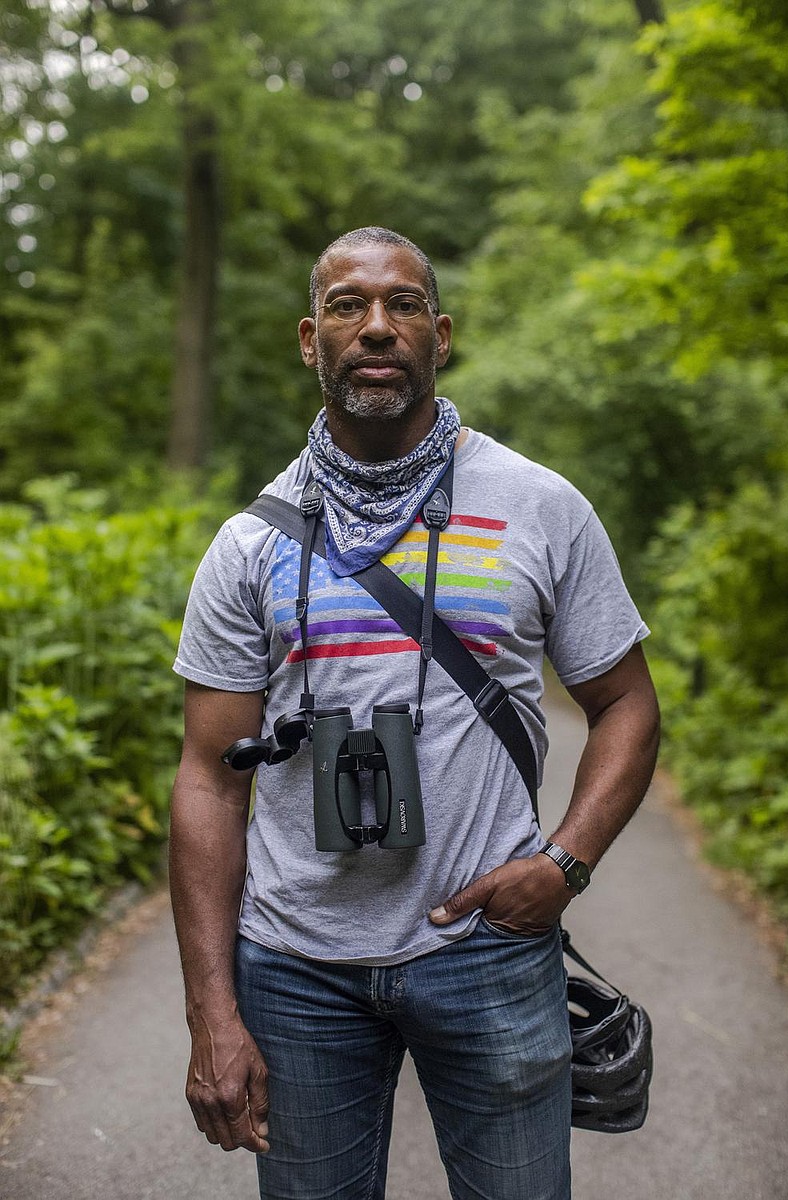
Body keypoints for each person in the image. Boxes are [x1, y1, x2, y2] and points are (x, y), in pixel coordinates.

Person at [169, 226, 660, 1200]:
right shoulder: (247, 544)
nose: (375, 328)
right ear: (310, 341)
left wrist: (563, 863)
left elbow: (625, 706)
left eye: (400, 307)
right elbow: (205, 780)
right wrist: (211, 1013)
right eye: (347, 306)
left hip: (488, 949)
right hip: (295, 964)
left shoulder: (538, 506)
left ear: (440, 335)